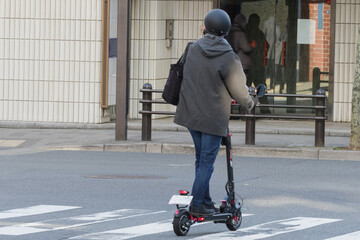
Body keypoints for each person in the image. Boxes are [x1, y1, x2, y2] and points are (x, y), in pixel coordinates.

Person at [174, 9, 255, 215]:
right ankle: (197, 204)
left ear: (205, 27)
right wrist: (251, 101)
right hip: (212, 117)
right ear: (225, 31)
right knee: (206, 163)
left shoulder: (192, 48)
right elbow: (240, 91)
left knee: (201, 160)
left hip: (191, 113)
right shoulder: (228, 57)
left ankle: (206, 201)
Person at [246, 13, 271, 114]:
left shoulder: (247, 32)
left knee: (246, 89)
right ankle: (265, 109)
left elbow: (266, 45)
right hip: (256, 65)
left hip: (249, 65)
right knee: (260, 88)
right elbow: (267, 46)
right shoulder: (258, 33)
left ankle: (243, 110)